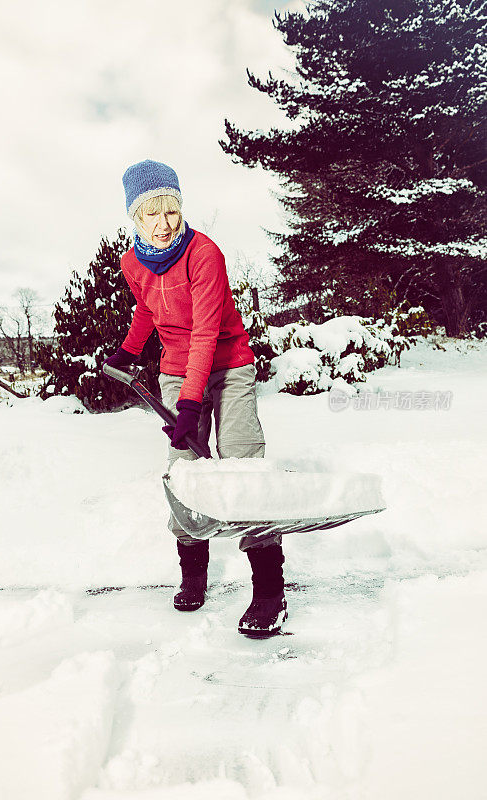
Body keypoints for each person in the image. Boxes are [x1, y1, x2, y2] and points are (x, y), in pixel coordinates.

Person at [105, 159, 287, 636]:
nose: (164, 224)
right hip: (176, 368)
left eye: (171, 211)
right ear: (134, 217)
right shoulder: (132, 262)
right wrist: (128, 351)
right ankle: (194, 575)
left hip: (227, 364)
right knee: (183, 473)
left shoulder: (204, 254)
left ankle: (271, 593)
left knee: (243, 465)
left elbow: (207, 331)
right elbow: (148, 308)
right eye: (151, 214)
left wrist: (189, 405)